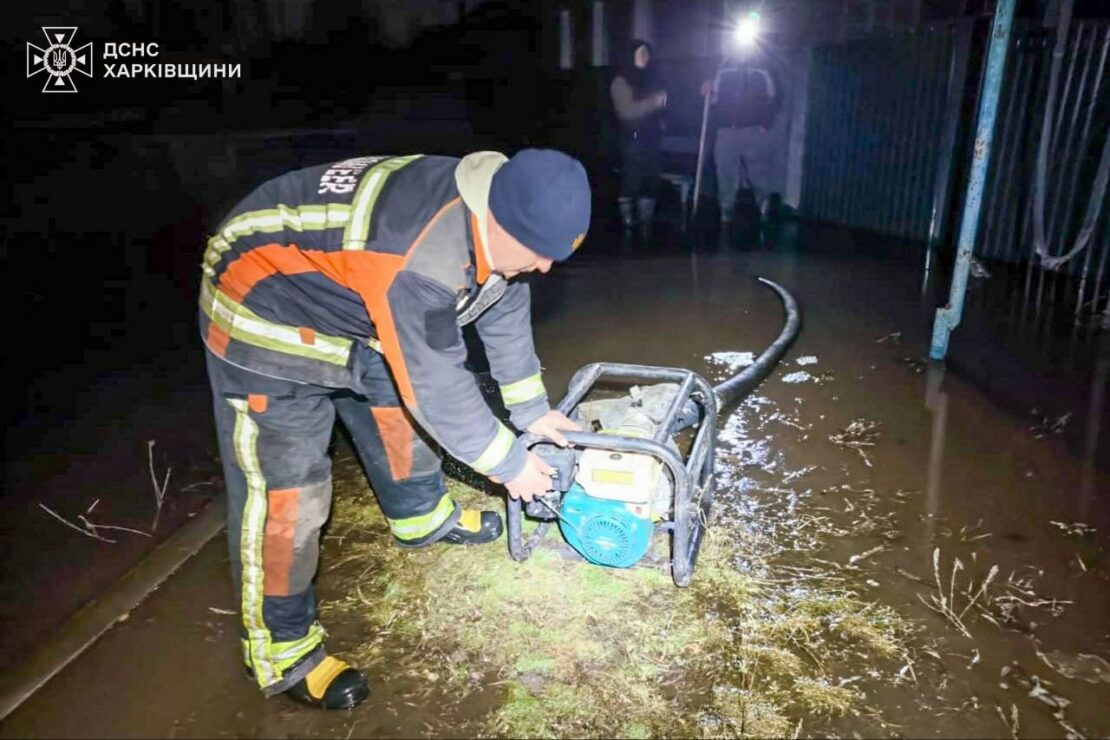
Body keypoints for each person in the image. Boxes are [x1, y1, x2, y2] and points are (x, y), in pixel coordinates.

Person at [199, 149, 590, 710]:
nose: (546, 268)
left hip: (352, 292)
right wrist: (511, 467)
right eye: (537, 252)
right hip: (264, 303)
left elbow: (503, 301)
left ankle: (421, 519)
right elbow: (438, 388)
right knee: (289, 491)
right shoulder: (422, 258)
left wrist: (532, 412)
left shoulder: (497, 218)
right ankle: (282, 653)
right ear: (495, 220)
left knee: (391, 405)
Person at [703, 49, 782, 225]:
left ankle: (764, 206)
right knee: (725, 173)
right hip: (726, 130)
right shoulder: (722, 65)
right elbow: (713, 99)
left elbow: (775, 97)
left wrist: (765, 124)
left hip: (753, 130)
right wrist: (707, 93)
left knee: (758, 173)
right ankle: (726, 211)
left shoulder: (763, 66)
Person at [609, 39, 667, 237]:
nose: (645, 57)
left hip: (652, 138)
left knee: (650, 181)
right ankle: (627, 223)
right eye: (641, 53)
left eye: (647, 53)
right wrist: (653, 103)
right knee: (631, 180)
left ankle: (646, 224)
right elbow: (625, 112)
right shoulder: (622, 80)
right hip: (632, 138)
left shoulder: (652, 78)